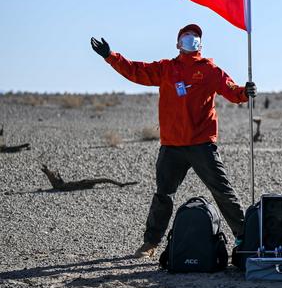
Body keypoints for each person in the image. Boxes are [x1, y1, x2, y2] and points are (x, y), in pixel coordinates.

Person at [90, 24, 256, 258]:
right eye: (187, 36)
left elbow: (230, 89)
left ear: (201, 43)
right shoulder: (167, 69)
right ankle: (150, 243)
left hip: (201, 144)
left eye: (196, 36)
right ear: (178, 43)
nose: (191, 39)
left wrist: (244, 92)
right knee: (163, 195)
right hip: (172, 146)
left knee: (222, 190)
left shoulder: (209, 70)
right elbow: (137, 71)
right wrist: (110, 56)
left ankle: (245, 238)